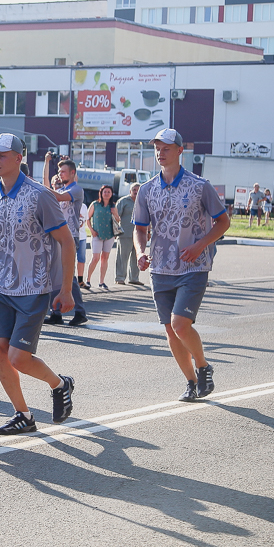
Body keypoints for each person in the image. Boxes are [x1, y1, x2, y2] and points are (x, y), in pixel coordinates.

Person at [0, 134, 76, 435]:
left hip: (34, 287)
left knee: (18, 357)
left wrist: (65, 289)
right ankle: (23, 414)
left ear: (18, 158)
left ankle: (60, 384)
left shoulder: (40, 195)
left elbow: (66, 242)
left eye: (2, 155)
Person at [134, 129, 230, 402]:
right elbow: (140, 229)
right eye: (157, 148)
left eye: (166, 148)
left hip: (193, 266)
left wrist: (201, 245)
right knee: (170, 330)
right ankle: (191, 382)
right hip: (160, 269)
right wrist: (141, 251)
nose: (160, 153)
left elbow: (223, 222)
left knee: (180, 324)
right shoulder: (147, 189)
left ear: (179, 151)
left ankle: (202, 366)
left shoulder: (200, 186)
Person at [42, 155, 88, 326]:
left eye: (63, 172)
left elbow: (54, 195)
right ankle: (56, 312)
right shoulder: (61, 190)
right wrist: (46, 163)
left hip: (71, 236)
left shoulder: (76, 190)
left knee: (69, 275)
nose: (60, 174)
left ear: (72, 173)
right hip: (57, 235)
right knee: (55, 274)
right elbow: (47, 185)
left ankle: (80, 312)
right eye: (59, 171)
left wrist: (40, 189)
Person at [85, 185, 120, 290]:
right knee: (95, 258)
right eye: (105, 192)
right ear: (101, 193)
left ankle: (102, 281)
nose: (107, 194)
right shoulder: (95, 204)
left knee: (105, 258)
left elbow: (118, 221)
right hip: (97, 234)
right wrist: (92, 230)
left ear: (111, 194)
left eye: (109, 192)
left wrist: (115, 214)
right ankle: (88, 280)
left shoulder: (113, 206)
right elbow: (87, 218)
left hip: (109, 235)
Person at [114, 183, 143, 286]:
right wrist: (115, 231)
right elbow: (115, 217)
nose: (136, 191)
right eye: (134, 190)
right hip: (125, 234)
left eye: (138, 190)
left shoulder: (143, 201)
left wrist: (148, 232)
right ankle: (120, 278)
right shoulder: (123, 201)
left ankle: (134, 278)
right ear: (130, 191)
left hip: (139, 235)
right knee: (122, 258)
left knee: (137, 258)